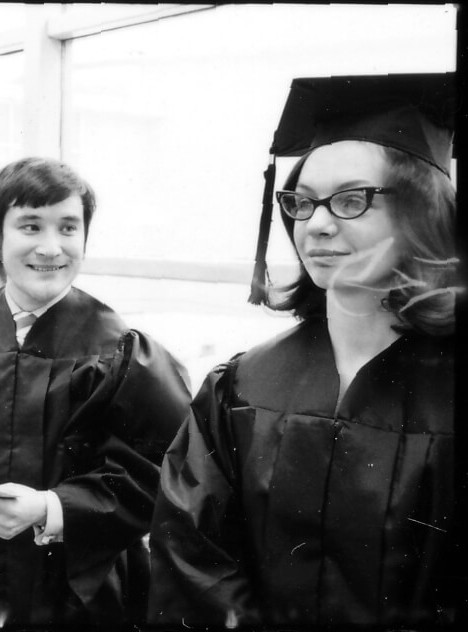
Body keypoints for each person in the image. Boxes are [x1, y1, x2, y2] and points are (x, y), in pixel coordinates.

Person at [147, 73, 459, 626]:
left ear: (422, 211)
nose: (316, 225)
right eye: (303, 203)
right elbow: (192, 561)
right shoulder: (241, 386)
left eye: (351, 200)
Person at [0, 157, 190, 626]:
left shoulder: (121, 351)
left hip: (78, 594)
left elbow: (163, 476)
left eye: (68, 228)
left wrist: (51, 507)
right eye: (30, 226)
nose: (51, 247)